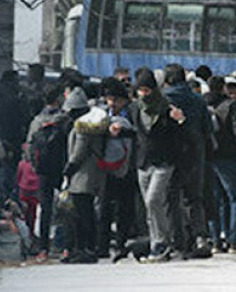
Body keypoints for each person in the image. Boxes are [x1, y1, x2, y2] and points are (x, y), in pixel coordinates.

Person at [130, 69, 184, 263]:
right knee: (149, 206)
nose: (144, 94)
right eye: (140, 90)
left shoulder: (166, 108)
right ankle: (156, 242)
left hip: (163, 162)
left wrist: (179, 121)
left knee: (154, 200)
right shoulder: (135, 108)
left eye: (147, 90)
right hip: (143, 162)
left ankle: (162, 241)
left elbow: (179, 136)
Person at [163, 63, 215, 258]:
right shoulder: (198, 99)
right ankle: (200, 236)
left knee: (172, 197)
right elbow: (208, 129)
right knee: (194, 197)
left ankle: (179, 241)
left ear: (167, 81)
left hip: (172, 153)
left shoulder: (165, 100)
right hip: (195, 152)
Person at [26, 86, 72, 259]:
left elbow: (30, 144)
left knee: (45, 209)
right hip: (62, 168)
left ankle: (43, 248)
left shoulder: (37, 120)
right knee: (66, 207)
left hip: (43, 170)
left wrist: (35, 165)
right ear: (59, 99)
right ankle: (66, 245)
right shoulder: (66, 119)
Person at [62, 95, 107, 264]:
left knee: (83, 213)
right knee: (84, 212)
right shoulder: (90, 124)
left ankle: (86, 248)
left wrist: (69, 167)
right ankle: (85, 248)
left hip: (82, 175)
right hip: (90, 173)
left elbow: (79, 152)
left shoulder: (82, 126)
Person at [206, 75, 236, 253]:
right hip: (227, 156)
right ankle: (235, 240)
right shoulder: (229, 105)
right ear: (223, 88)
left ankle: (216, 239)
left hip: (209, 157)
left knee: (216, 199)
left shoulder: (204, 104)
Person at [99, 77, 139, 260]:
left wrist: (123, 132)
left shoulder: (132, 113)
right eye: (110, 99)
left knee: (124, 207)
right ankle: (103, 244)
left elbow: (140, 134)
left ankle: (121, 242)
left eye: (116, 100)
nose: (112, 103)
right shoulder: (101, 115)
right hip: (106, 168)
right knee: (105, 206)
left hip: (128, 168)